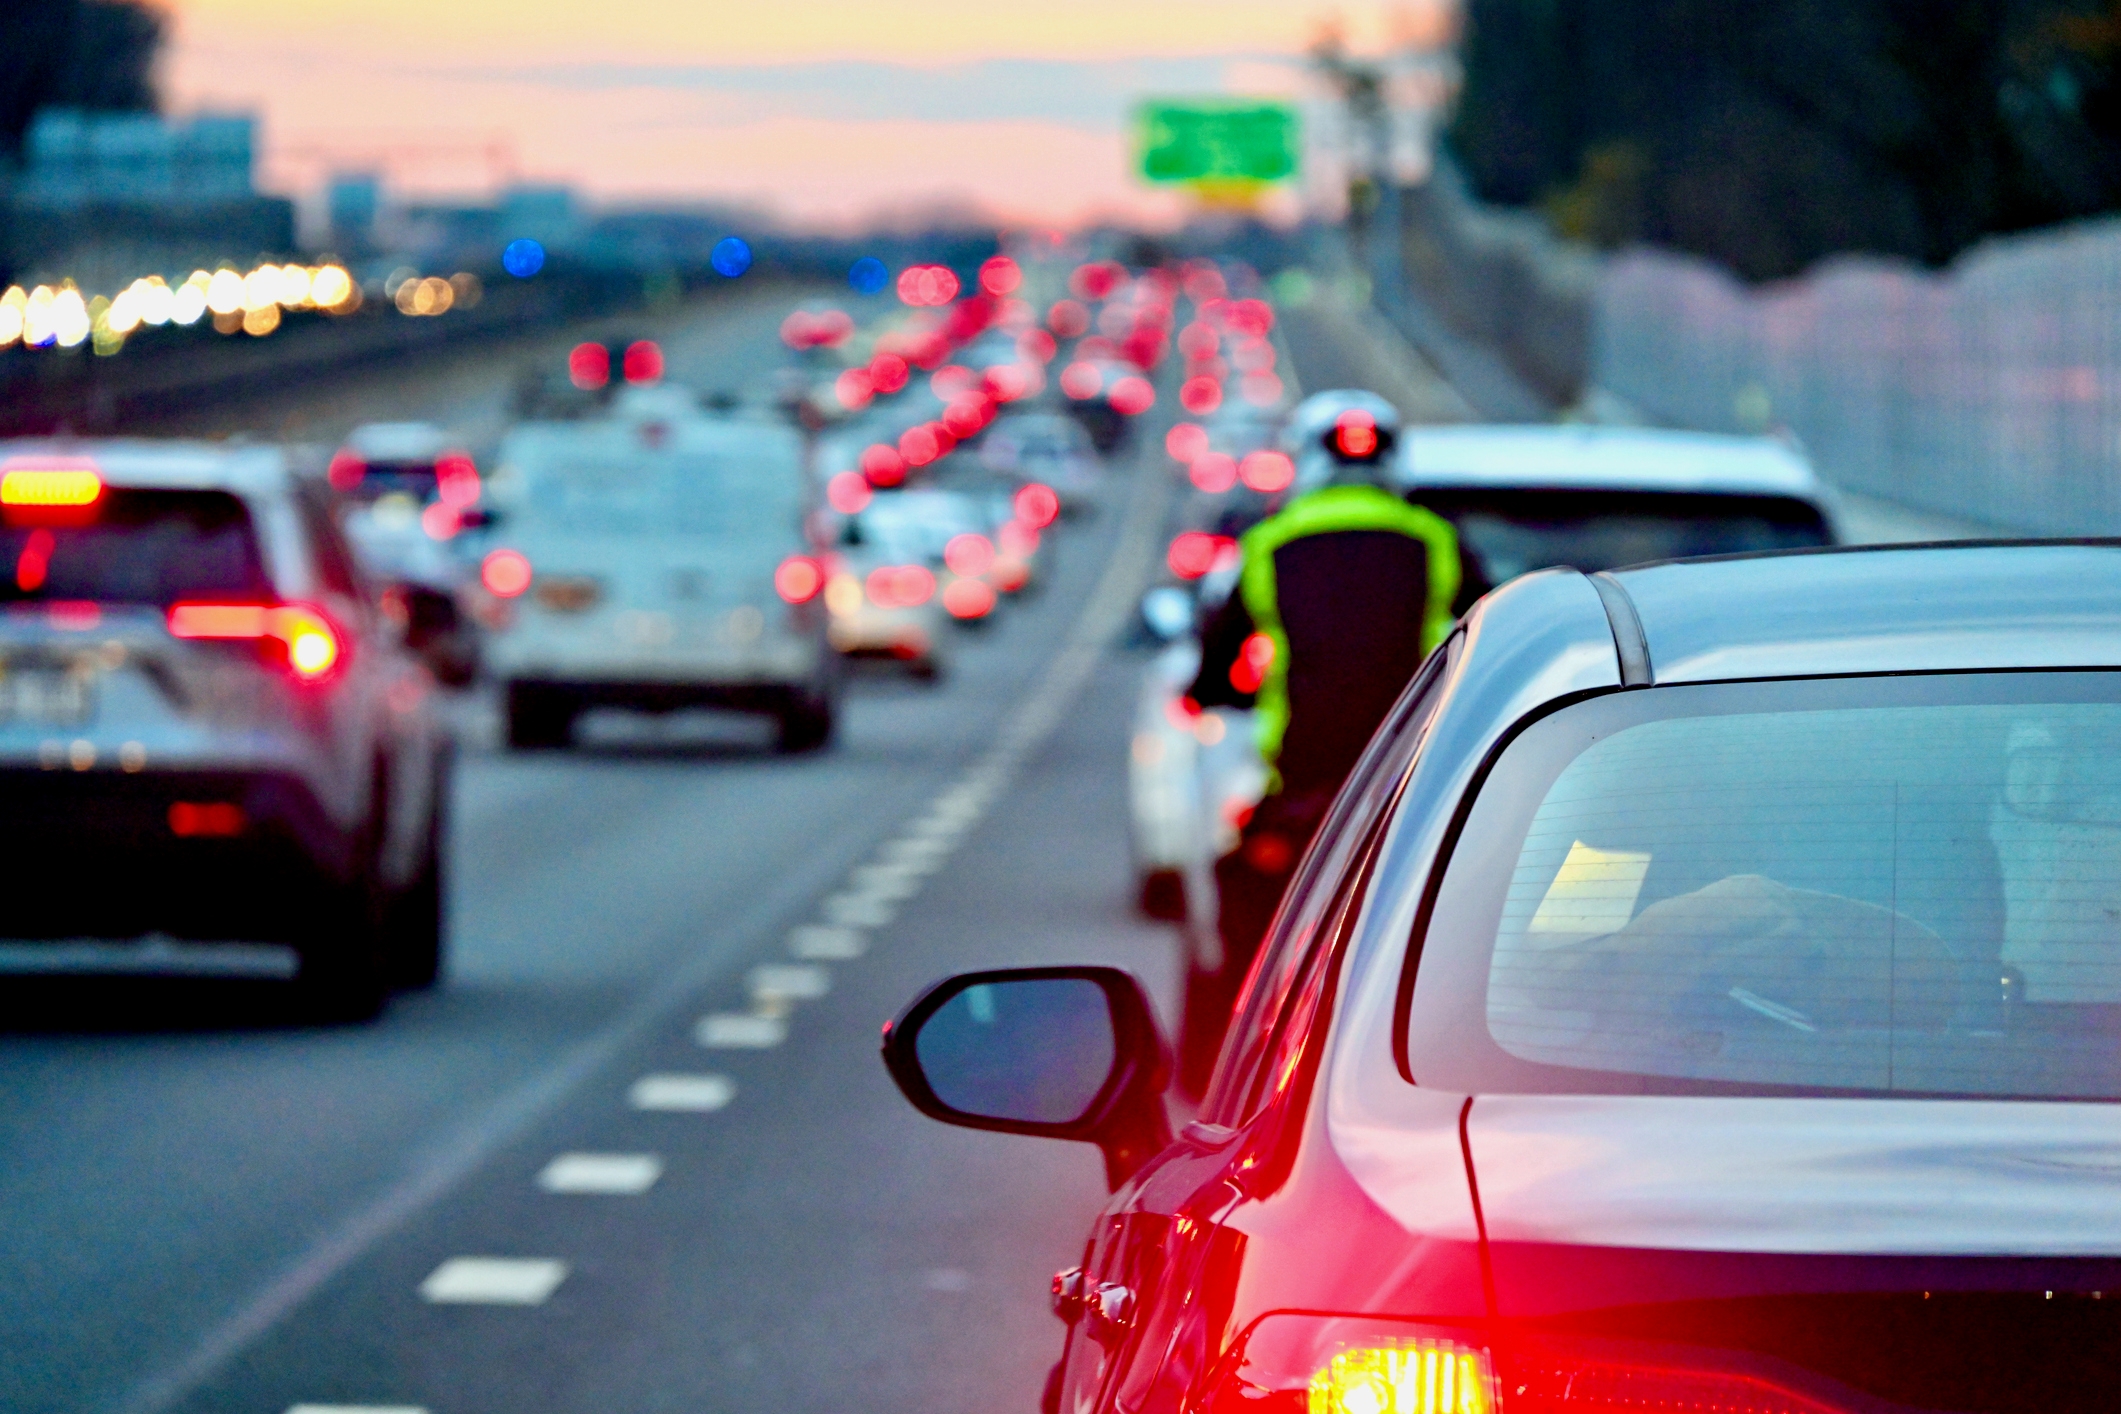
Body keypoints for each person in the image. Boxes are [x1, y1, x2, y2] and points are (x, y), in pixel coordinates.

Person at [1177, 389, 1488, 1093]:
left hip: (1302, 778)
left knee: (1248, 919)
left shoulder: (1268, 543)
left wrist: (1210, 694)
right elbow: (1489, 628)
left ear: (1303, 459)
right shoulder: (1433, 539)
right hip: (1408, 778)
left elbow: (1214, 664)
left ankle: (1227, 1078)